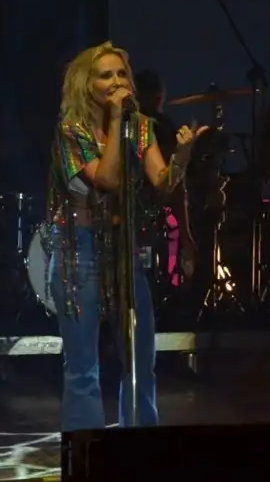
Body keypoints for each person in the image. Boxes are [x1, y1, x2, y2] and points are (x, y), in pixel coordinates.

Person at [46, 42, 203, 431]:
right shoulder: (72, 130)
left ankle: (139, 448)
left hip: (123, 249)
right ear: (87, 84)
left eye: (121, 74)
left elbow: (163, 183)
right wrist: (118, 121)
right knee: (83, 367)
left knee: (140, 360)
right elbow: (107, 179)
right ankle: (87, 451)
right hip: (78, 251)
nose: (117, 81)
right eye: (107, 75)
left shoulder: (142, 126)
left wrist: (181, 157)